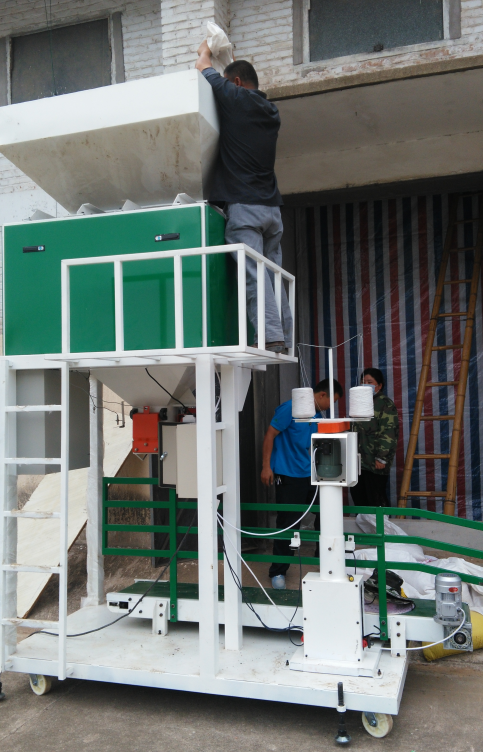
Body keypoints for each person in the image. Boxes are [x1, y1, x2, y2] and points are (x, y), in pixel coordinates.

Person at [195, 43, 292, 354]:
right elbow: (234, 80)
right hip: (271, 210)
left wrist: (205, 51)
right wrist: (230, 59)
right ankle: (284, 335)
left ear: (236, 83)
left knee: (253, 275)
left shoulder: (235, 99)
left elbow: (203, 71)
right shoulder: (270, 111)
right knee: (273, 274)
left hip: (246, 208)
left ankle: (270, 335)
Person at [261, 379, 344, 589]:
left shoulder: (317, 415)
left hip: (312, 474)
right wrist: (266, 466)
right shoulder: (290, 408)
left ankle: (324, 559)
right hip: (289, 474)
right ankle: (278, 571)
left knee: (327, 514)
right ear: (322, 395)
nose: (330, 407)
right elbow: (270, 435)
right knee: (288, 523)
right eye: (331, 401)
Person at [350, 368, 399, 508]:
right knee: (359, 496)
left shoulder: (385, 404)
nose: (365, 385)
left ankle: (381, 522)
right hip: (358, 461)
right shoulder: (359, 403)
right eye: (363, 382)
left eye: (369, 382)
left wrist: (382, 457)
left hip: (375, 461)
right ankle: (363, 521)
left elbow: (389, 432)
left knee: (376, 498)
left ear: (379, 385)